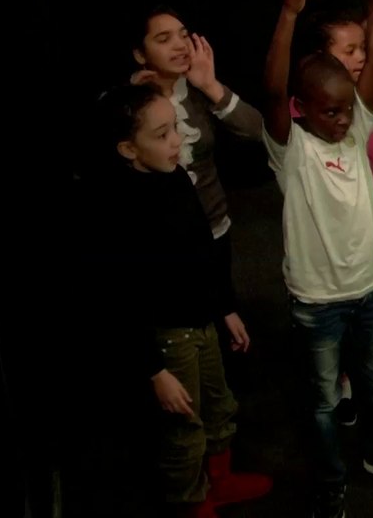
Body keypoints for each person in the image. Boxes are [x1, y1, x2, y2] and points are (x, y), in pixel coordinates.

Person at [262, 0, 373, 518]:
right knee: (324, 402)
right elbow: (274, 89)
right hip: (317, 301)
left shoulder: (358, 125)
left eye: (346, 111)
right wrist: (289, 9)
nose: (342, 121)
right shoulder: (292, 148)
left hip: (370, 289)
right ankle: (332, 482)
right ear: (303, 111)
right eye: (329, 113)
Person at [91, 83, 271, 518]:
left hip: (203, 322)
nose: (176, 142)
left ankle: (220, 482)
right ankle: (193, 503)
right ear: (127, 148)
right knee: (183, 431)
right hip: (170, 337)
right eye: (161, 134)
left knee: (218, 405)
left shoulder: (175, 179)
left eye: (174, 128)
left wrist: (224, 308)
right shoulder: (117, 209)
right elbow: (121, 301)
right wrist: (154, 371)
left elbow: (203, 249)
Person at [129, 7, 264, 352]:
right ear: (140, 54)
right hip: (163, 236)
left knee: (223, 313)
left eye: (184, 36)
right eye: (164, 39)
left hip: (213, 225)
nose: (179, 45)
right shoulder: (130, 102)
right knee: (179, 324)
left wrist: (210, 84)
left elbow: (257, 130)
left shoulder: (196, 89)